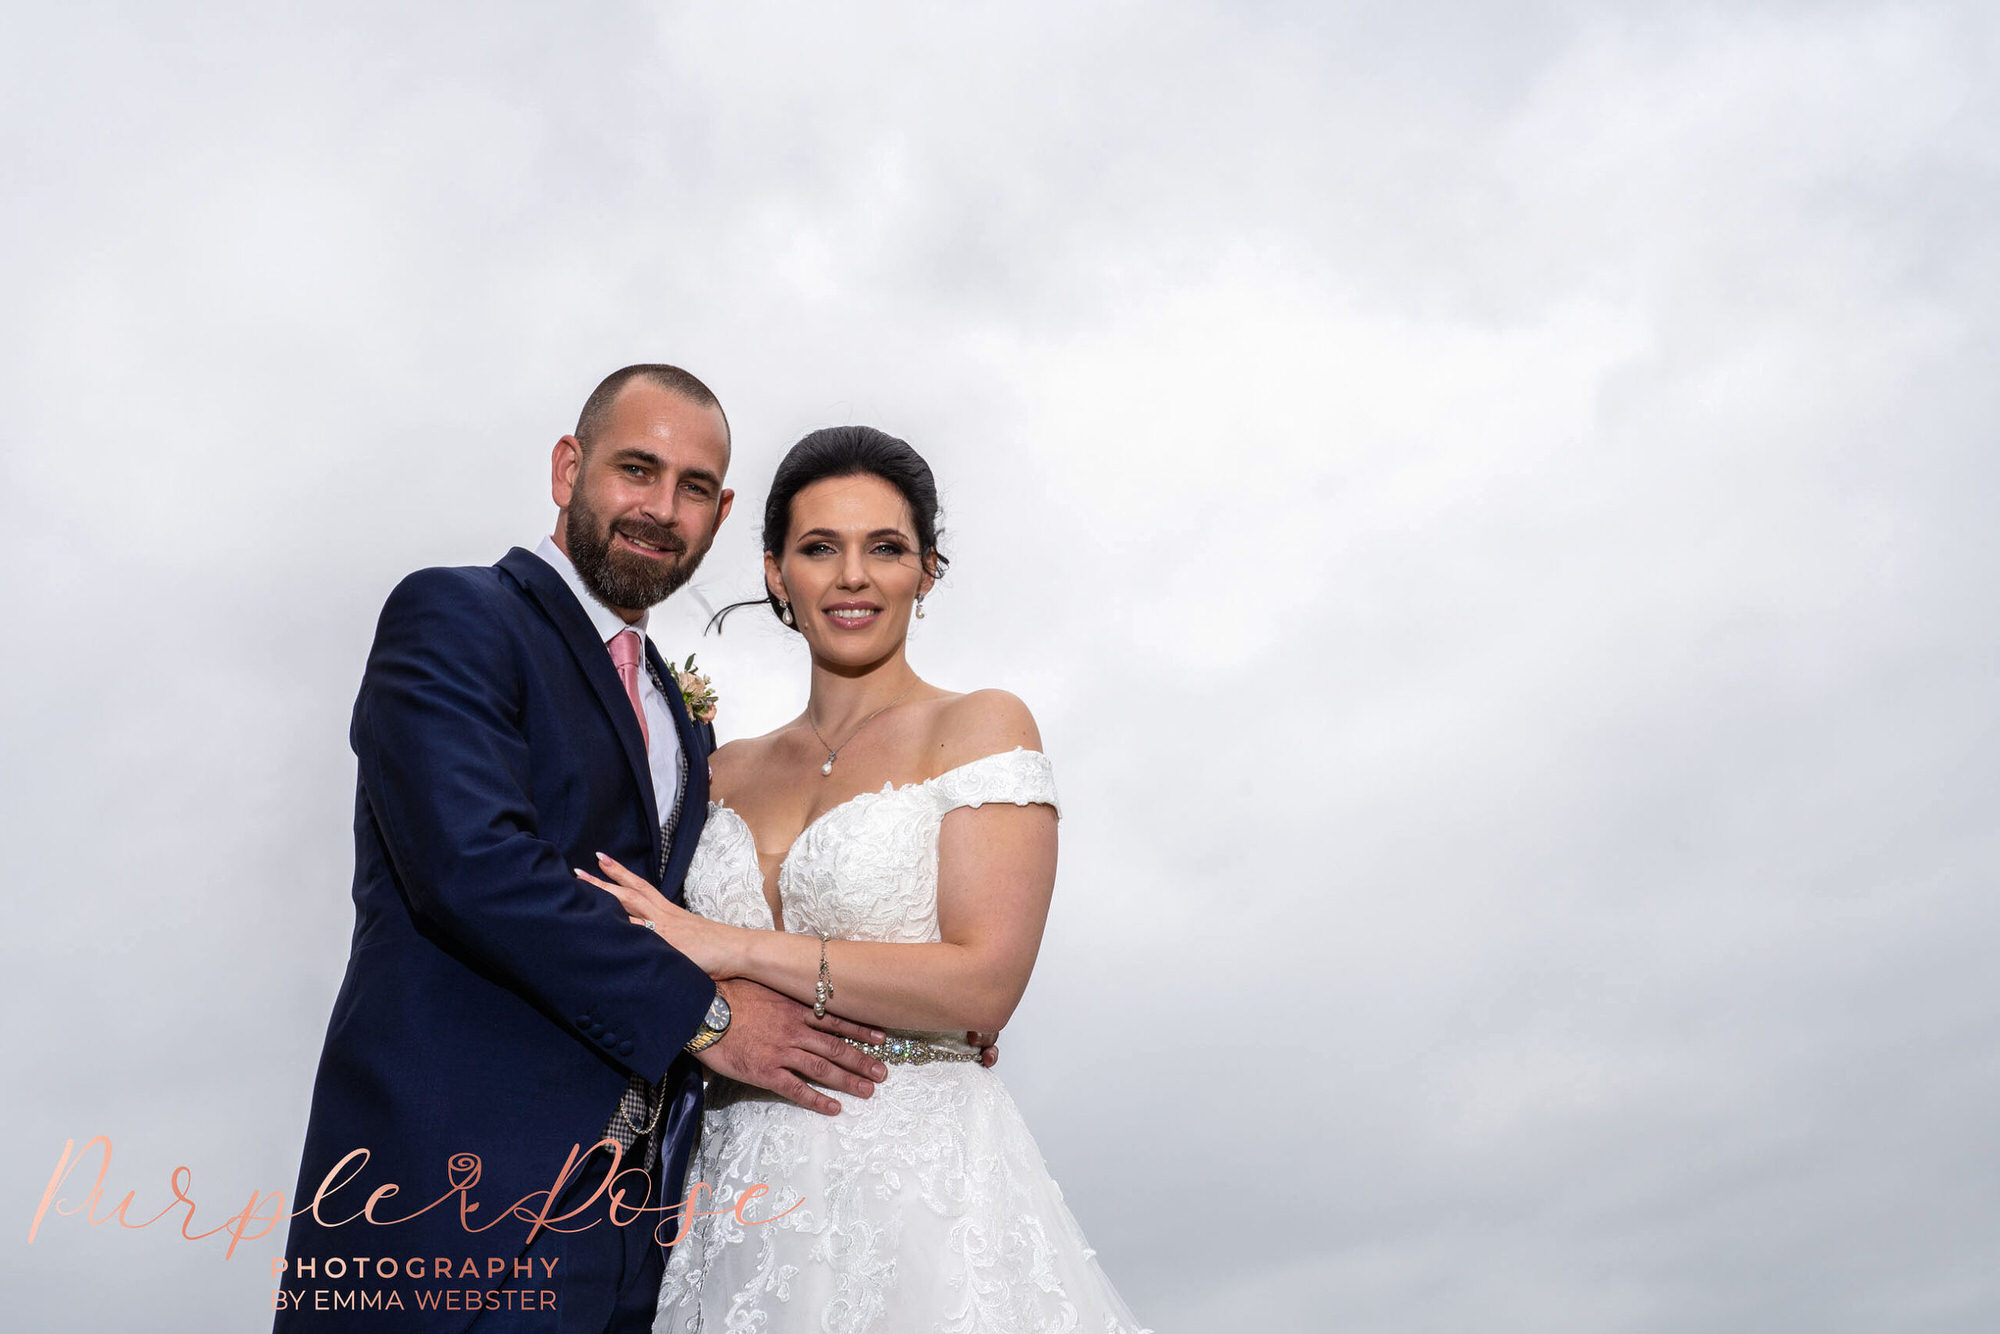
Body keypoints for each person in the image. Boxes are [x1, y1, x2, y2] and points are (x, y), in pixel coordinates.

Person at [276, 368, 902, 1333]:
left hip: (630, 1236)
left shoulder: (683, 721)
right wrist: (704, 1019)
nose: (661, 509)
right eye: (637, 469)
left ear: (721, 510)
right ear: (569, 467)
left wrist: (912, 1010)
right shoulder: (455, 617)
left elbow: (702, 924)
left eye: (695, 488)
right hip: (449, 1211)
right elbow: (472, 868)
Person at [575, 426, 1153, 1332]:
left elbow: (985, 984)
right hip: (734, 1195)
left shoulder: (981, 726)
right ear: (775, 573)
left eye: (885, 548)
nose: (853, 577)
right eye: (819, 549)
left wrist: (734, 949)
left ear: (926, 571)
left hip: (922, 1183)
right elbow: (633, 935)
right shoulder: (716, 770)